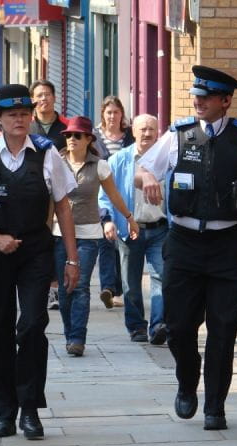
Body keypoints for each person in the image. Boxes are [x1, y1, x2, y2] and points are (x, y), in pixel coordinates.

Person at [136, 65, 237, 431]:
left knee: (223, 329)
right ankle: (187, 381)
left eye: (206, 97)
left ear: (226, 101)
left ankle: (215, 406)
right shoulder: (178, 136)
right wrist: (150, 177)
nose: (198, 102)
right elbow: (141, 171)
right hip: (183, 243)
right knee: (178, 327)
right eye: (196, 96)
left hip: (226, 246)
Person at [0, 84, 80, 440]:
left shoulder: (46, 152)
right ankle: (4, 412)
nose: (19, 120)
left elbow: (63, 205)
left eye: (24, 114)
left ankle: (30, 409)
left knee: (33, 325)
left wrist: (72, 259)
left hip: (35, 250)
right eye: (12, 115)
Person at [54, 116, 138, 357]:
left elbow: (114, 195)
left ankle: (77, 338)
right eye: (68, 135)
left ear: (88, 139)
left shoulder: (100, 166)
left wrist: (129, 217)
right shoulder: (56, 162)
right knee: (64, 288)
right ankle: (70, 333)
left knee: (80, 285)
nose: (71, 139)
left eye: (77, 135)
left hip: (89, 234)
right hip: (59, 233)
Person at [99, 114, 167, 344]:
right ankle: (137, 326)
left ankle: (158, 326)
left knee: (161, 276)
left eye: (151, 129)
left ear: (158, 132)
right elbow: (105, 195)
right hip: (130, 229)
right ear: (133, 132)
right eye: (142, 129)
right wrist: (108, 221)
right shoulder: (118, 160)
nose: (147, 133)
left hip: (160, 229)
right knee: (131, 283)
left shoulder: (166, 158)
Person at [92, 96, 135, 309]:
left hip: (124, 194)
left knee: (123, 241)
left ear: (121, 114)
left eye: (116, 112)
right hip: (100, 194)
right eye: (108, 112)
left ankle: (119, 288)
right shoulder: (94, 137)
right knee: (106, 240)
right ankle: (108, 288)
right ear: (103, 114)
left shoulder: (130, 136)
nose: (112, 116)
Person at [28, 79, 68, 150]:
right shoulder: (27, 126)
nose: (44, 98)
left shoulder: (68, 126)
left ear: (54, 98)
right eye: (39, 95)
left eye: (47, 94)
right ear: (32, 100)